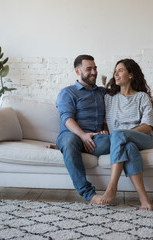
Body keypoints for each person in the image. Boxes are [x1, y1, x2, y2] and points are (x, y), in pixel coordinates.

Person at [100, 59, 153, 210]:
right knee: (129, 148)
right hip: (123, 141)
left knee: (118, 135)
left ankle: (112, 188)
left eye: (121, 70)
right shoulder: (109, 98)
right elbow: (105, 121)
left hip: (143, 138)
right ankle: (144, 200)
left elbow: (148, 126)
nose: (116, 74)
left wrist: (124, 134)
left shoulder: (142, 97)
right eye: (115, 71)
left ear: (131, 75)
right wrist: (106, 129)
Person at [55, 55, 110, 205]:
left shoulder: (102, 93)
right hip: (71, 134)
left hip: (95, 138)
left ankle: (68, 149)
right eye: (89, 69)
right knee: (70, 141)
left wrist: (105, 128)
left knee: (112, 141)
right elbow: (67, 119)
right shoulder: (68, 92)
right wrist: (83, 135)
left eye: (95, 68)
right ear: (77, 71)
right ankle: (88, 194)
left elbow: (109, 115)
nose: (94, 72)